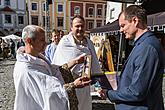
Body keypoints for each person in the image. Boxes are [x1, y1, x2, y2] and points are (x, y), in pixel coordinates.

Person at [99, 5, 165, 110]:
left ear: (135, 21)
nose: (120, 30)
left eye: (123, 25)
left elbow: (137, 92)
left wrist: (109, 94)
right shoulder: (142, 44)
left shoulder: (146, 47)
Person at [13, 25, 91, 110]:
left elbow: (53, 70)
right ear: (29, 41)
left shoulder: (37, 57)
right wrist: (73, 85)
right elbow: (49, 93)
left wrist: (75, 62)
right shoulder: (26, 69)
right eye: (42, 40)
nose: (45, 43)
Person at [52, 15, 102, 110]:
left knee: (84, 107)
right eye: (77, 26)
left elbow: (94, 61)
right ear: (71, 27)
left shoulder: (89, 42)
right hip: (72, 85)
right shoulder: (65, 42)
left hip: (85, 85)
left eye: (82, 26)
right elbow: (58, 67)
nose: (80, 28)